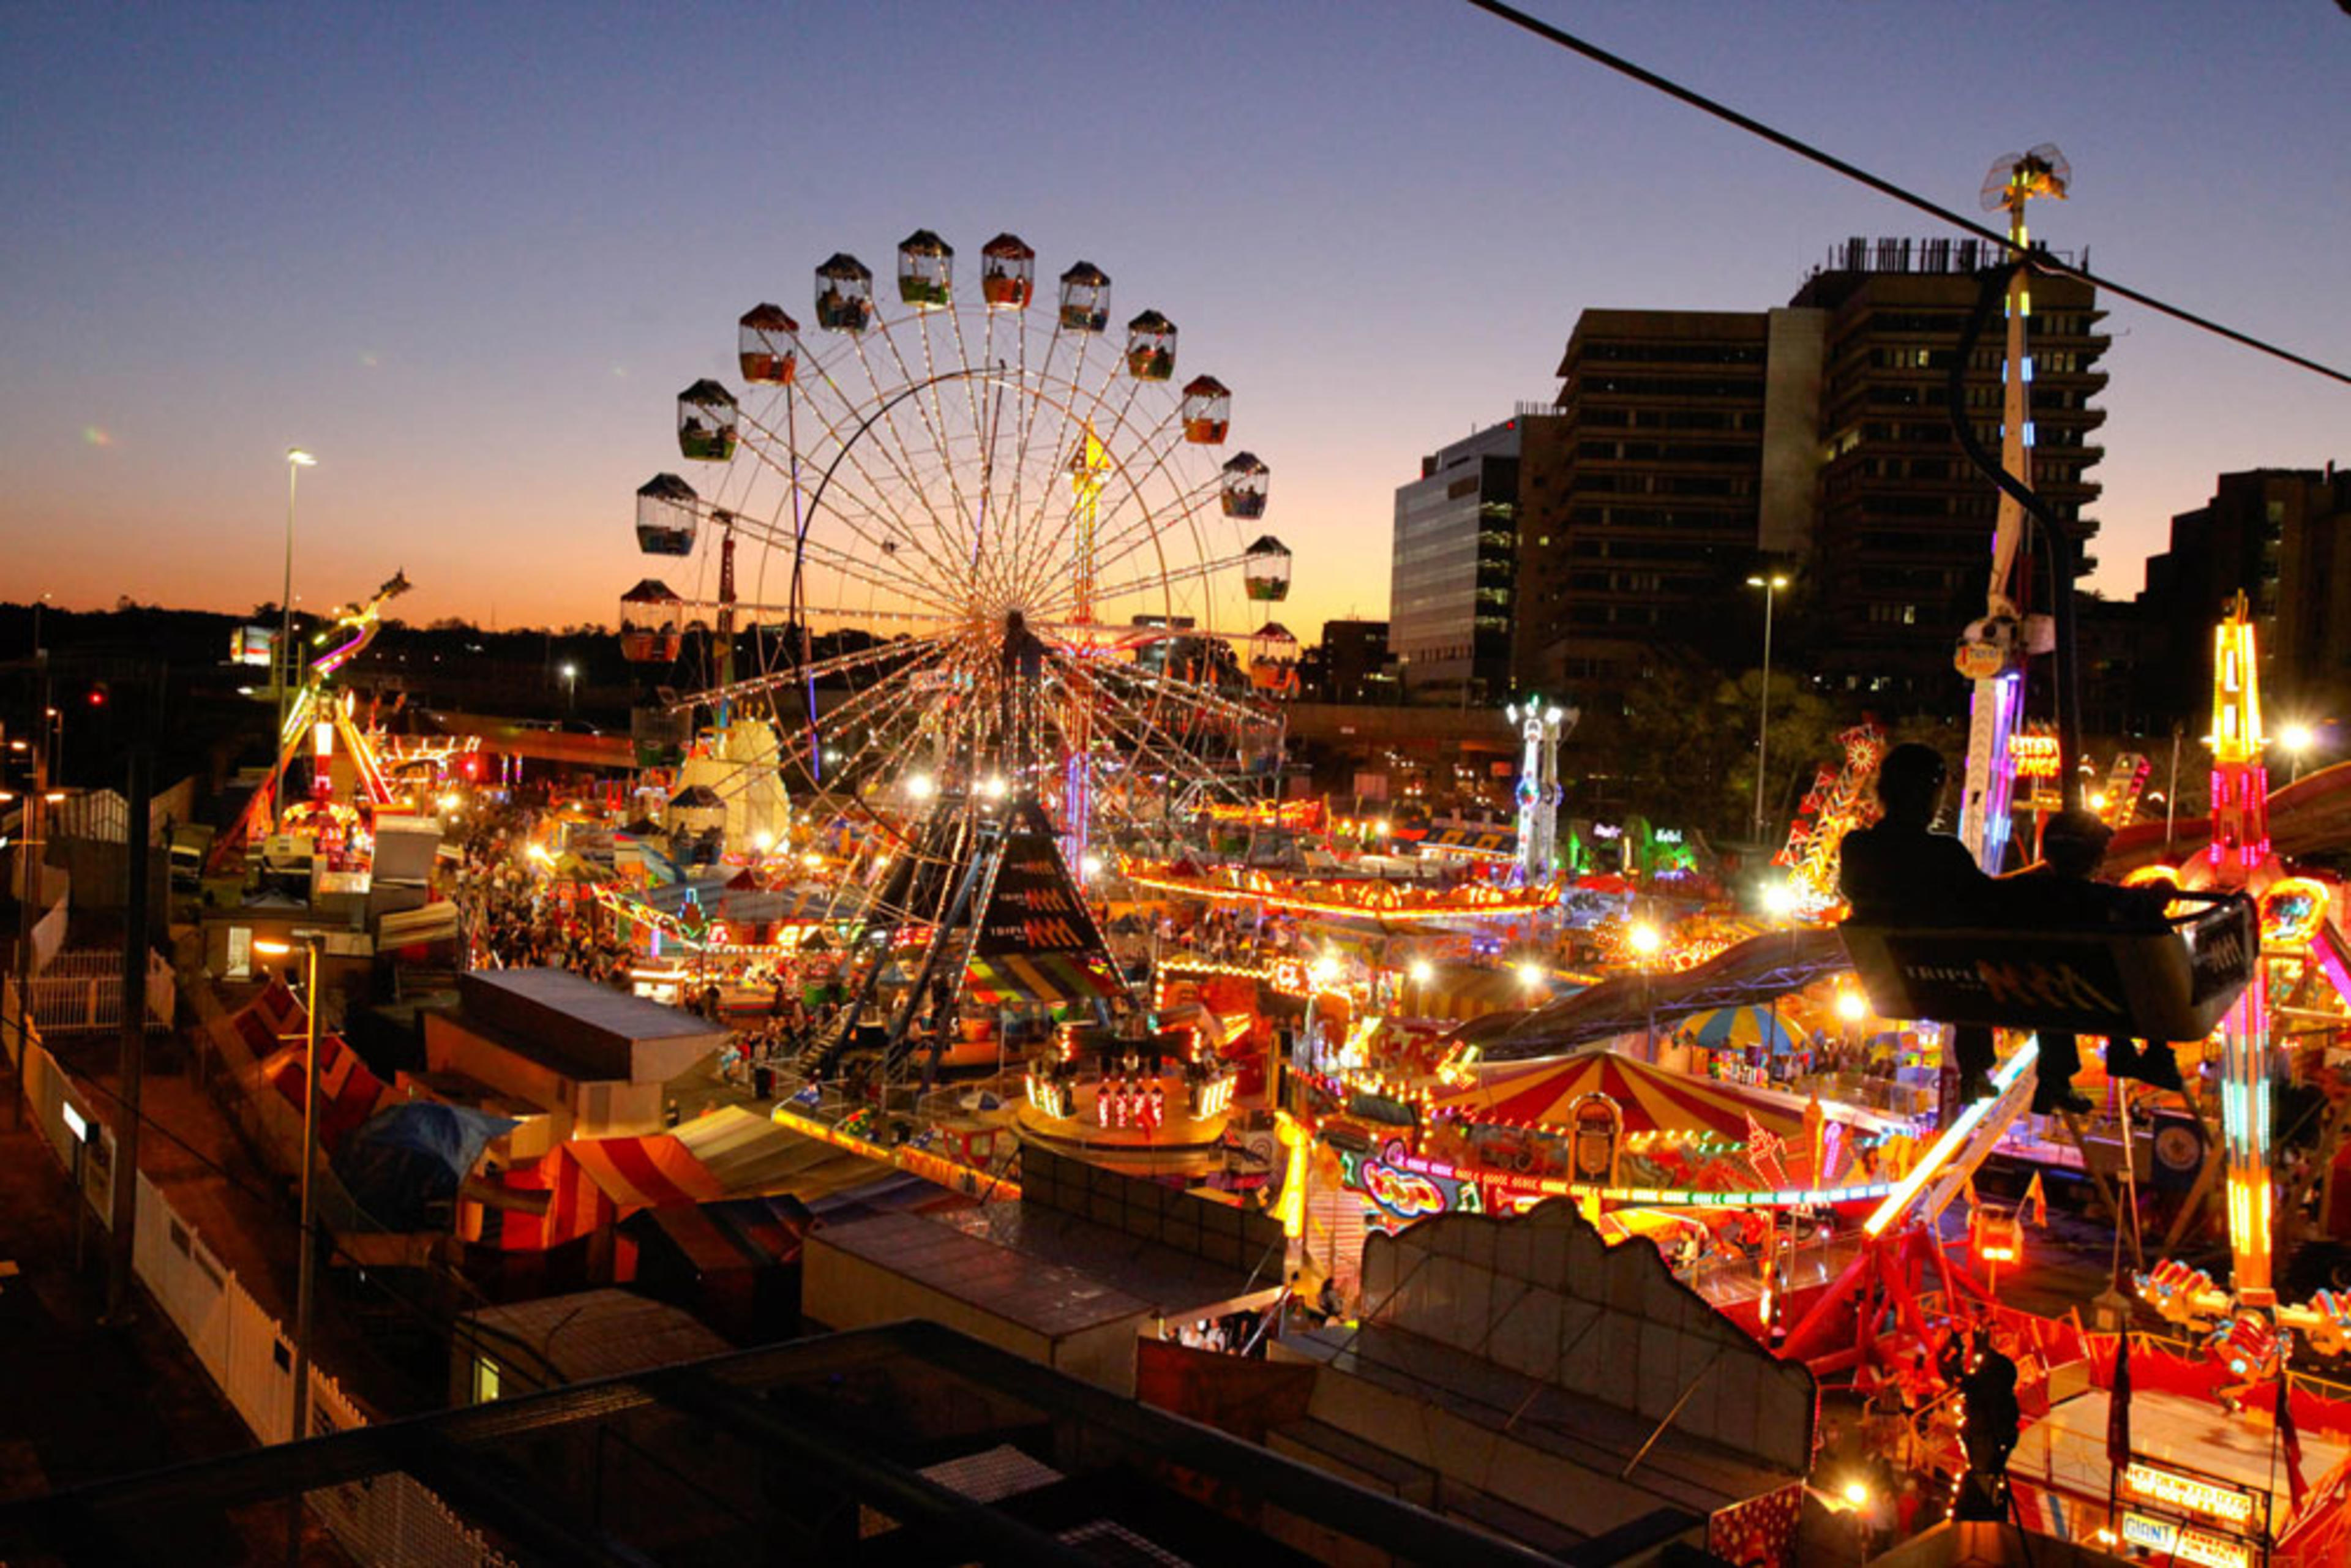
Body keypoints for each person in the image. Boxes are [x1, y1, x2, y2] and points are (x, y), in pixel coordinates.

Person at [1840, 744, 2000, 1099]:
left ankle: (1975, 1070)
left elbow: (1851, 889)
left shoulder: (1856, 848)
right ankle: (1976, 1066)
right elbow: (1987, 900)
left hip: (1887, 972)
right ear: (1931, 796)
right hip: (1941, 975)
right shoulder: (1945, 854)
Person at [2001, 809, 2186, 1097]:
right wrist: (2158, 894)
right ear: (2093, 857)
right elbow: (2151, 917)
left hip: (2034, 992)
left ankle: (2060, 1073)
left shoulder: (2022, 894)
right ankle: (2153, 1054)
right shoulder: (2105, 899)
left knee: (2056, 975)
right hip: (2096, 1000)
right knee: (2146, 955)